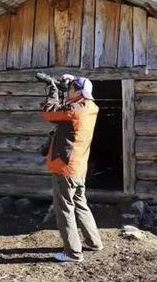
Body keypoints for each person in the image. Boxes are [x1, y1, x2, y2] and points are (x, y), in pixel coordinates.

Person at [41, 74, 103, 263]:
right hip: (78, 167)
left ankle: (73, 254)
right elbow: (65, 108)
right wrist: (71, 80)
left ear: (77, 91)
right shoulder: (90, 107)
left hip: (65, 167)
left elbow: (49, 113)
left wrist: (53, 90)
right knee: (80, 204)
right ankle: (94, 242)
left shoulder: (74, 110)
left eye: (70, 89)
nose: (68, 91)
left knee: (64, 209)